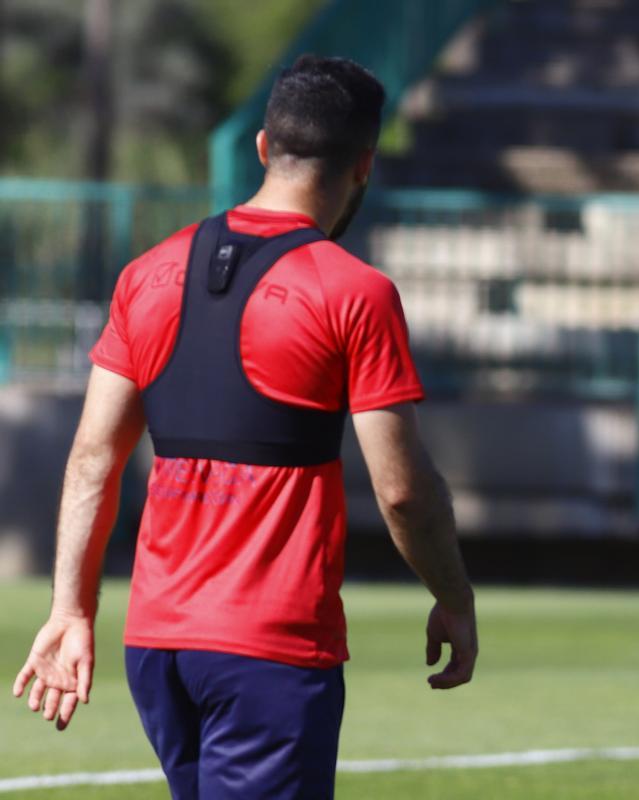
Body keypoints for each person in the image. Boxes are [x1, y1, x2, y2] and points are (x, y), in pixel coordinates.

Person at [12, 55, 477, 799]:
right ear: (364, 164)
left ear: (262, 148)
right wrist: (454, 596)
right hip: (270, 649)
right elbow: (402, 492)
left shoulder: (147, 273)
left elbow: (94, 457)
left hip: (156, 646)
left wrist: (71, 609)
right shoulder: (355, 292)